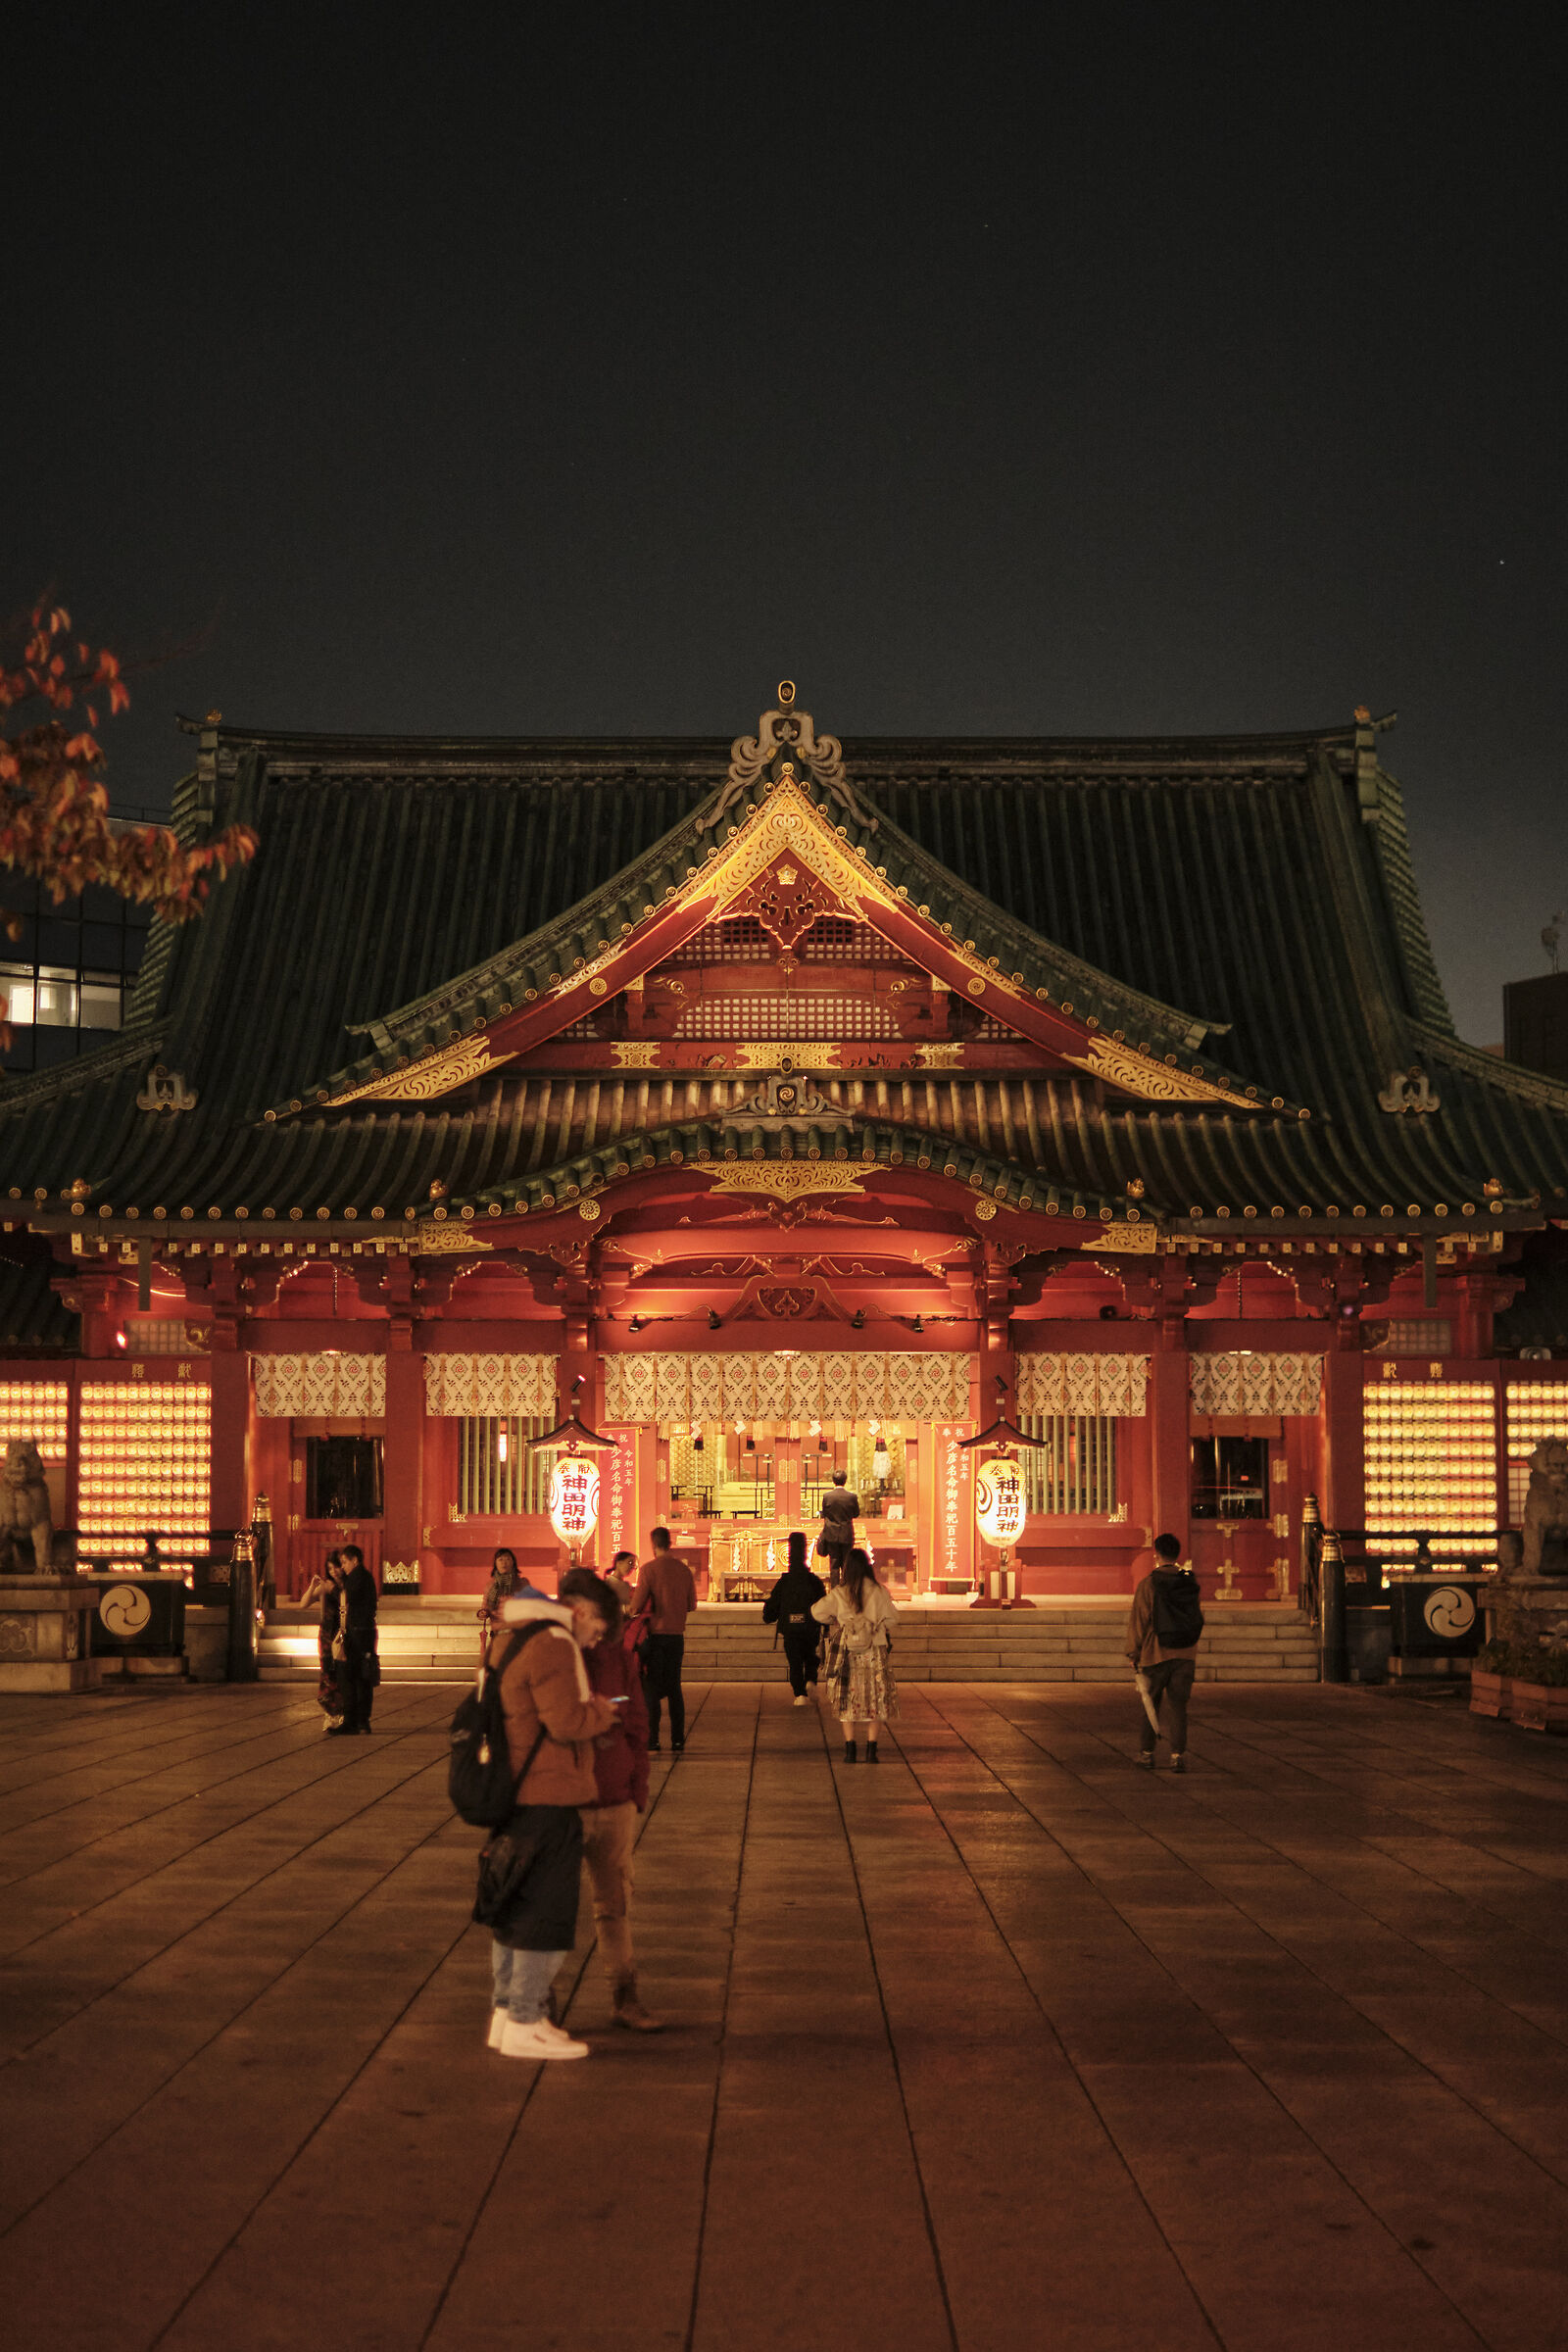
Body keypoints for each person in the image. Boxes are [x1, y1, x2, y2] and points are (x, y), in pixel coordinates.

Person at [481, 1581, 619, 2060]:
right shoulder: (555, 1643)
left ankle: (507, 2015)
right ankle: (526, 2018)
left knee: (514, 1910)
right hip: (548, 1793)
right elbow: (565, 1722)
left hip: (514, 1791)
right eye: (598, 1629)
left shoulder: (511, 1634)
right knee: (545, 1915)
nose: (596, 1641)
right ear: (580, 1612)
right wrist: (601, 1711)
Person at [558, 1566, 662, 2032]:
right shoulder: (549, 1660)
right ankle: (541, 2007)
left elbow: (637, 1725)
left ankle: (626, 1996)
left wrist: (635, 1789)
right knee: (550, 1910)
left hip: (614, 1800)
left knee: (614, 1906)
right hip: (560, 1804)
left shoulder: (617, 1660)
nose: (596, 1627)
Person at [1125, 1532, 1204, 1774]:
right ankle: (1177, 1755)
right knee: (1179, 1707)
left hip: (1155, 1653)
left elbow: (1139, 1620)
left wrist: (1133, 1652)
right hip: (1185, 1654)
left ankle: (1147, 1754)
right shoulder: (1189, 1582)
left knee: (1152, 1703)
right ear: (1177, 1554)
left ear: (1156, 1555)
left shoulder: (1149, 1584)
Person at [812, 1544, 899, 1762]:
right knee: (876, 1700)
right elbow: (893, 1619)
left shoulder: (840, 1593)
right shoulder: (880, 1592)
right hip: (874, 1652)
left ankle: (850, 1750)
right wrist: (876, 1626)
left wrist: (836, 1620)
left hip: (848, 1653)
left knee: (847, 1699)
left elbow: (816, 1611)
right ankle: (871, 1750)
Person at [631, 1526, 698, 1753]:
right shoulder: (683, 1570)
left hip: (655, 1637)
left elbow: (636, 1605)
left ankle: (653, 1740)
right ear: (670, 1543)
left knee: (651, 1689)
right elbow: (692, 1604)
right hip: (677, 1636)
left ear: (653, 1545)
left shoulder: (648, 1570)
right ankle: (678, 1740)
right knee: (674, 1688)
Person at [761, 1531, 825, 1704]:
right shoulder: (814, 1581)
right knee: (810, 1655)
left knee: (795, 1661)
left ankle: (800, 1694)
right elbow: (824, 1603)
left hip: (790, 1629)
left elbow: (773, 1605)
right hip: (810, 1625)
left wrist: (768, 1616)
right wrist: (825, 1625)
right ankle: (811, 1680)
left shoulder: (785, 1581)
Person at [326, 1544, 378, 1736]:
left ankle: (353, 1721)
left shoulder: (359, 1577)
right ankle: (361, 1721)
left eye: (345, 1562)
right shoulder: (362, 1577)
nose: (343, 1566)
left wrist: (332, 1589)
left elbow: (348, 1598)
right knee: (360, 1677)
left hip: (358, 1633)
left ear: (355, 1560)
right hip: (364, 1631)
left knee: (349, 1676)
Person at [315, 1551, 344, 1730]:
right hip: (327, 1633)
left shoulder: (346, 1586)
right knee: (327, 1672)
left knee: (342, 1673)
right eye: (330, 1568)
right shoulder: (327, 1586)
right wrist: (314, 1587)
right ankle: (329, 1713)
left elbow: (346, 1601)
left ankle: (341, 1713)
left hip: (341, 1634)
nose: (333, 1571)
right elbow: (304, 1602)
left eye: (336, 1567)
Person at [816, 1470, 860, 1584]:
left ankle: (835, 1593)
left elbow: (825, 1513)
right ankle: (847, 1592)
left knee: (834, 1566)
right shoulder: (851, 1497)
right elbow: (856, 1514)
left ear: (833, 1481)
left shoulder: (827, 1496)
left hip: (831, 1535)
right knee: (846, 1565)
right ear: (845, 1481)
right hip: (846, 1534)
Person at [478, 1545, 522, 1627]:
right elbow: (486, 1607)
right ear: (495, 1563)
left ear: (513, 1562)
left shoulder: (522, 1583)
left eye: (507, 1559)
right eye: (500, 1559)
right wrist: (483, 1613)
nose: (504, 1563)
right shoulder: (490, 1585)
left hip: (516, 1629)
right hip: (497, 1630)